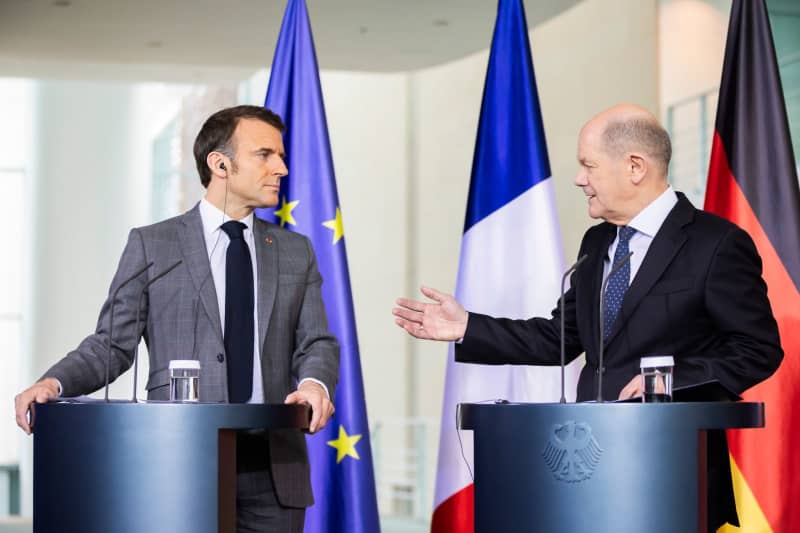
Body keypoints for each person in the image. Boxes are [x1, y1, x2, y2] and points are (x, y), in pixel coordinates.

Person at [393, 103, 782, 530]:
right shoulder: (596, 243)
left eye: (588, 165)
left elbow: (757, 348)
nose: (580, 179)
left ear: (635, 166)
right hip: (588, 473)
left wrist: (670, 382)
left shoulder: (716, 243)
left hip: (674, 476)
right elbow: (558, 338)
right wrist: (468, 327)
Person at [14, 105, 339, 533]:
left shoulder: (296, 251)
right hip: (179, 461)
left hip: (274, 467)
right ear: (220, 163)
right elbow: (111, 345)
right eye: (265, 154)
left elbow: (317, 341)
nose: (281, 166)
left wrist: (314, 384)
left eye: (280, 155)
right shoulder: (153, 246)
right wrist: (52, 383)